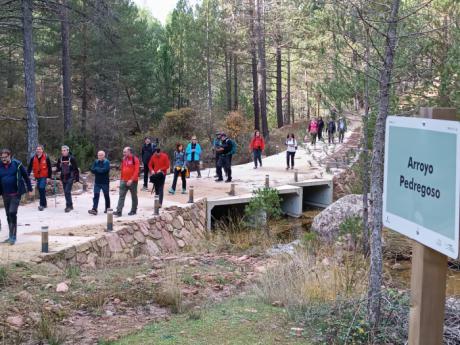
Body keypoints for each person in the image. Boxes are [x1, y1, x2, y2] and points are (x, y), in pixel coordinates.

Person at [0, 149, 33, 245]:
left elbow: (26, 177)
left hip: (15, 194)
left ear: (10, 156)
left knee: (12, 212)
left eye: (5, 157)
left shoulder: (17, 164)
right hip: (5, 194)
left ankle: (13, 236)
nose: (4, 159)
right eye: (2, 157)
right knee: (8, 214)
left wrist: (30, 189)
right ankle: (10, 235)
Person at [114, 147, 140, 217]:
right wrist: (121, 179)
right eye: (123, 152)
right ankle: (119, 211)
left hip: (133, 181)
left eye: (125, 152)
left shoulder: (135, 159)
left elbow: (136, 171)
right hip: (123, 180)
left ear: (129, 151)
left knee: (134, 196)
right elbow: (122, 169)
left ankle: (133, 210)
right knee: (121, 195)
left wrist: (131, 179)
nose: (123, 153)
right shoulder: (124, 159)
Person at [27, 145, 52, 211]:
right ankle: (45, 203)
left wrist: (49, 177)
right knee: (41, 190)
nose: (38, 150)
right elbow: (29, 167)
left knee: (41, 188)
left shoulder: (46, 157)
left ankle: (41, 205)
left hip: (44, 176)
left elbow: (49, 168)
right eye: (37, 149)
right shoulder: (33, 158)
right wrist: (27, 175)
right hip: (37, 177)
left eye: (40, 149)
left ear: (42, 150)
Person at [56, 145, 79, 213]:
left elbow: (76, 169)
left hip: (70, 176)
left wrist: (76, 178)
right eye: (62, 150)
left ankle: (68, 206)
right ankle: (70, 205)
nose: (63, 152)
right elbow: (59, 167)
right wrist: (56, 170)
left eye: (64, 150)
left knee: (67, 191)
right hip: (63, 177)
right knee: (66, 192)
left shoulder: (72, 158)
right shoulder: (60, 158)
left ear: (68, 151)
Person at [88, 151, 110, 215]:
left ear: (104, 155)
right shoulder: (96, 161)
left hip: (105, 182)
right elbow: (92, 169)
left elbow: (105, 170)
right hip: (97, 182)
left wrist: (97, 169)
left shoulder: (107, 162)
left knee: (106, 196)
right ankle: (94, 209)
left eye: (101, 155)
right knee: (96, 195)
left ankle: (107, 208)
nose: (99, 156)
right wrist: (99, 169)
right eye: (98, 155)